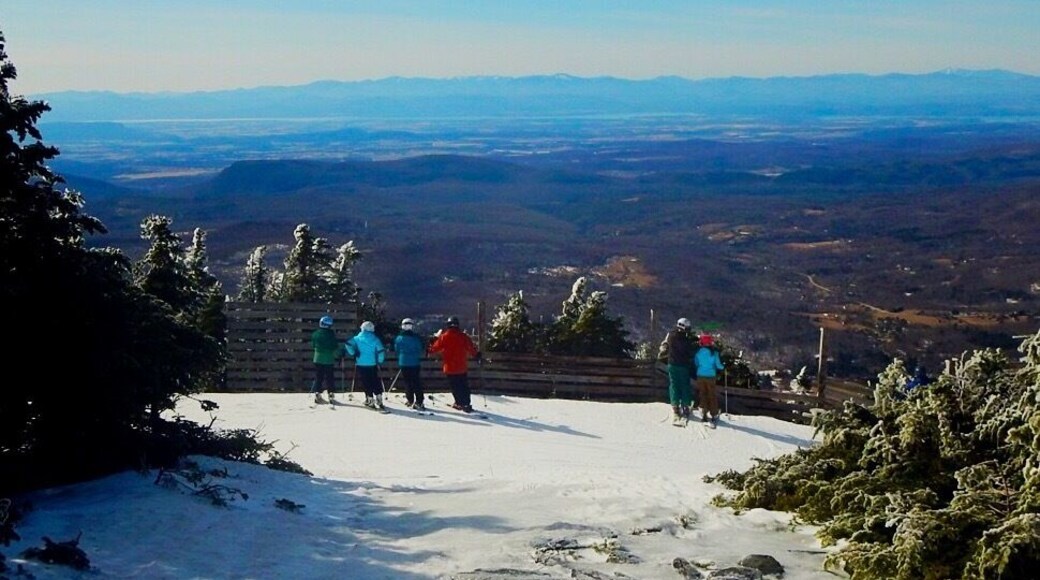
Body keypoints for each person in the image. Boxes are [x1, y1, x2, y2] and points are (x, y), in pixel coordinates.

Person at [428, 315, 480, 413]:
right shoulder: (463, 336)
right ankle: (466, 403)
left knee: (455, 387)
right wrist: (476, 355)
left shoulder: (444, 337)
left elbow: (433, 349)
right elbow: (471, 348)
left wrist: (431, 344)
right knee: (464, 386)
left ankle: (459, 403)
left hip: (450, 367)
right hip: (461, 367)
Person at [345, 321, 388, 410]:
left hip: (361, 363)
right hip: (372, 363)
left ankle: (369, 399)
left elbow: (348, 344)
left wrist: (353, 353)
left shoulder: (357, 338)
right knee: (375, 380)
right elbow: (381, 351)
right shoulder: (375, 339)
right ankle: (379, 397)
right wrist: (380, 360)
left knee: (366, 381)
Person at [660, 317, 695, 422]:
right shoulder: (686, 340)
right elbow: (690, 353)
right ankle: (685, 405)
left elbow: (664, 346)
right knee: (685, 385)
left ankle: (675, 406)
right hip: (683, 365)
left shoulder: (670, 335)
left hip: (672, 364)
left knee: (674, 384)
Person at [394, 318, 427, 410]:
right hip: (415, 363)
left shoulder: (399, 338)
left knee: (408, 382)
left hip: (404, 363)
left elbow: (397, 350)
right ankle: (419, 401)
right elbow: (419, 349)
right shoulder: (415, 338)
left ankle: (410, 400)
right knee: (416, 382)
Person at [694, 333, 725, 425]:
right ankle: (714, 414)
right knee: (712, 395)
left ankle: (703, 412)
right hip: (711, 376)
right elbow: (718, 365)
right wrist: (723, 367)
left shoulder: (698, 352)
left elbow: (696, 363)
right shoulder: (714, 353)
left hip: (700, 375)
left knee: (702, 393)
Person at [310, 315, 341, 404]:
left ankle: (317, 393)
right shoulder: (331, 335)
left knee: (319, 377)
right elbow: (335, 347)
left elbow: (313, 345)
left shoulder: (315, 334)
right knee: (329, 377)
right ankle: (330, 394)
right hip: (329, 359)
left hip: (317, 358)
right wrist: (339, 355)